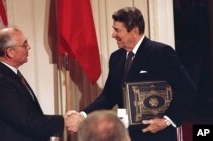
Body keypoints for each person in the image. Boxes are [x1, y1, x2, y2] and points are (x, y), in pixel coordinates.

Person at [80, 7, 197, 141]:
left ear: (134, 31)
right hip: (127, 135)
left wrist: (166, 121)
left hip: (156, 135)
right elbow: (108, 96)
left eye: (117, 30)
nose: (113, 34)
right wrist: (82, 115)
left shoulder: (161, 53)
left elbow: (187, 89)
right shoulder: (116, 58)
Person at [0, 27, 82, 141]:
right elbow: (26, 121)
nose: (29, 47)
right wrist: (64, 121)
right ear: (10, 52)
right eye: (24, 45)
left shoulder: (8, 73)